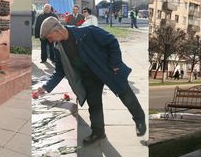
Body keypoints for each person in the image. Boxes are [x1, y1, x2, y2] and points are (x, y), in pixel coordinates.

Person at [35, 17, 146, 145]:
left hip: (106, 69)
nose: (50, 41)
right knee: (94, 105)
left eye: (49, 37)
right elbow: (60, 71)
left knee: (125, 94)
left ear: (57, 31)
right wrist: (45, 87)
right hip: (89, 77)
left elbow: (112, 41)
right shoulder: (58, 48)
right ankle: (98, 132)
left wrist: (115, 64)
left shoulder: (87, 32)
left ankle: (139, 119)